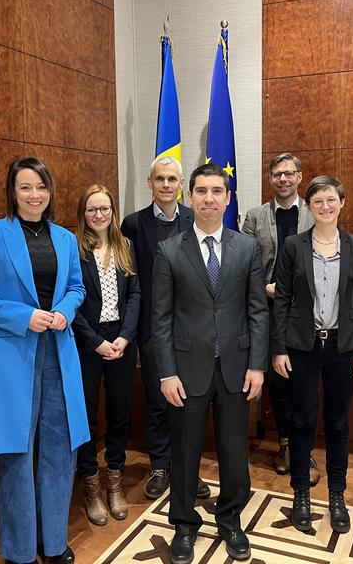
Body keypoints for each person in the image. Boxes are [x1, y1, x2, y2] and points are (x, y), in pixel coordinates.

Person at [0, 156, 89, 564]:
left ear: (51, 192)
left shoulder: (65, 238)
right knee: (15, 452)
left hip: (59, 349)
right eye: (26, 187)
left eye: (41, 187)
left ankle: (54, 542)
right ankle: (18, 551)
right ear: (12, 192)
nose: (35, 195)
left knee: (60, 448)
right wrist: (22, 317)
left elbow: (76, 286)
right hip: (12, 354)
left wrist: (66, 309)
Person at [152, 164, 269, 564]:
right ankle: (184, 525)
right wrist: (167, 372)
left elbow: (258, 310)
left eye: (217, 191)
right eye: (201, 191)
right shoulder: (169, 250)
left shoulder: (247, 248)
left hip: (237, 367)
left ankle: (231, 519)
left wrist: (258, 364)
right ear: (189, 196)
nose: (209, 198)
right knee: (184, 453)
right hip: (186, 370)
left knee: (235, 451)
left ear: (228, 197)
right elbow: (161, 318)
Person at [272, 175, 353, 535]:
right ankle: (300, 493)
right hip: (302, 347)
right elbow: (281, 300)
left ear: (341, 203)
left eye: (331, 200)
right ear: (309, 207)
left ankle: (336, 495)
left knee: (337, 423)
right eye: (318, 202)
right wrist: (279, 348)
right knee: (301, 421)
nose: (325, 207)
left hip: (343, 348)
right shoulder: (293, 246)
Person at [121, 156, 210, 501]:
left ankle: (187, 469)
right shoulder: (132, 224)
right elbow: (130, 280)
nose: (167, 185)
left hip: (191, 326)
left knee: (190, 401)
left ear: (182, 183)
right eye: (161, 179)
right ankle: (159, 466)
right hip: (152, 327)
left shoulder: (195, 218)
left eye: (173, 179)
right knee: (158, 400)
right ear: (150, 182)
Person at [241, 152, 316, 480]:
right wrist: (266, 288)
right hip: (268, 308)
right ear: (270, 179)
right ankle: (285, 443)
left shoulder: (316, 212)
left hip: (307, 312)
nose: (283, 179)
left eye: (289, 173)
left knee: (306, 381)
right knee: (280, 380)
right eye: (276, 174)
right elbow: (241, 262)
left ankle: (306, 449)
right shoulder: (255, 217)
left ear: (300, 176)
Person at [72, 184, 141, 526]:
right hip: (87, 343)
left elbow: (135, 295)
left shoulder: (125, 246)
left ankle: (115, 483)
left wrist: (126, 337)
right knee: (86, 415)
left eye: (104, 209)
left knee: (119, 413)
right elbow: (71, 302)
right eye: (91, 210)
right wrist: (95, 341)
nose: (98, 215)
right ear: (83, 214)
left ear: (113, 212)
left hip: (121, 343)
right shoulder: (73, 249)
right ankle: (91, 487)